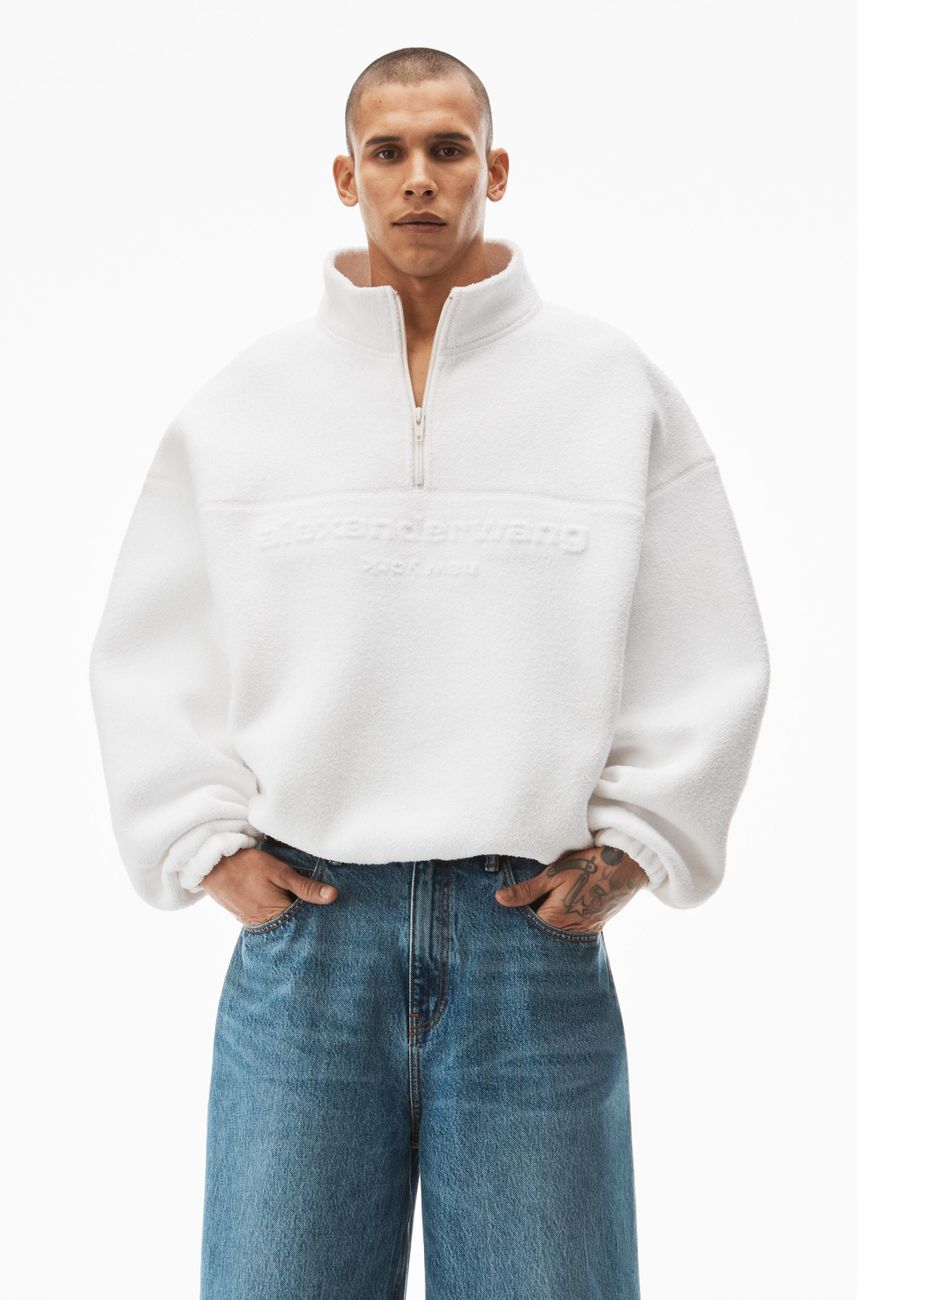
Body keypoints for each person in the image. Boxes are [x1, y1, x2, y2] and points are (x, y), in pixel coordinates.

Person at [89, 45, 771, 1300]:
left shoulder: (606, 388)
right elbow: (150, 645)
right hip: (307, 948)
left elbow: (706, 638)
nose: (417, 178)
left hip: (527, 950)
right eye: (388, 151)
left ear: (493, 170)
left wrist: (633, 847)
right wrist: (201, 842)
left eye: (447, 149)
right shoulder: (245, 406)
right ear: (343, 174)